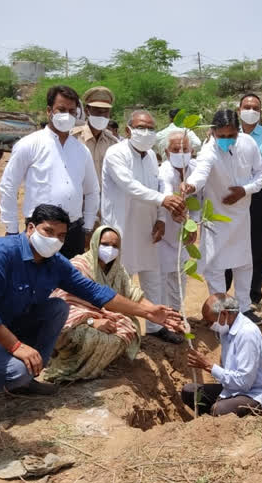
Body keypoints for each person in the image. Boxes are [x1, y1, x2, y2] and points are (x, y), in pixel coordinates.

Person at [0, 205, 183, 416]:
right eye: (48, 231)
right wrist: (16, 346)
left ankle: (24, 382)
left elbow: (97, 293)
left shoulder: (54, 263)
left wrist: (149, 312)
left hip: (2, 328)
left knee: (56, 308)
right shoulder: (3, 253)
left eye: (61, 236)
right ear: (30, 228)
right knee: (18, 369)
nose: (54, 240)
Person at [101, 110, 186, 344]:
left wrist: (160, 218)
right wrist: (163, 201)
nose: (146, 132)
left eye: (151, 128)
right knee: (122, 279)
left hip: (147, 226)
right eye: (141, 127)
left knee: (153, 277)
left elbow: (158, 186)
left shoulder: (150, 155)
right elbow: (129, 186)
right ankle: (121, 330)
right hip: (122, 227)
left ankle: (155, 327)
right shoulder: (115, 153)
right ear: (128, 130)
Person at [181, 110, 262, 325]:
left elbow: (261, 174)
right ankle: (225, 314)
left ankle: (245, 309)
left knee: (244, 264)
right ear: (213, 132)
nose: (226, 140)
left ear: (238, 131)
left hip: (240, 216)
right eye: (222, 136)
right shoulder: (208, 151)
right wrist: (190, 185)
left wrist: (244, 190)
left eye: (231, 135)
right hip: (216, 219)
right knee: (216, 267)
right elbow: (200, 174)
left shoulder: (248, 144)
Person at [0, 85, 99, 259]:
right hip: (40, 230)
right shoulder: (29, 144)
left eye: (71, 111)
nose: (66, 115)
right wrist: (12, 229)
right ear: (49, 111)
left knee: (70, 283)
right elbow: (8, 186)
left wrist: (88, 227)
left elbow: (92, 191)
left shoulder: (81, 151)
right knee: (36, 282)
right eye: (61, 109)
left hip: (72, 231)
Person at [42, 226, 147, 382]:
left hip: (105, 319)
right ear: (94, 243)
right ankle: (62, 368)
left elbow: (133, 294)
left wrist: (156, 312)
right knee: (91, 336)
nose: (109, 250)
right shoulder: (78, 266)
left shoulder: (117, 270)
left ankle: (92, 368)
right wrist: (92, 321)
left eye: (114, 246)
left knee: (125, 330)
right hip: (74, 323)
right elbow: (63, 303)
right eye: (104, 245)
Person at [182, 294, 262, 417]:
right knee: (189, 392)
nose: (209, 326)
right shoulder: (226, 331)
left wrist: (209, 366)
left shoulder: (247, 334)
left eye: (210, 322)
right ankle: (210, 420)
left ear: (224, 314)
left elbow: (244, 383)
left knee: (219, 410)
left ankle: (218, 419)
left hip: (254, 394)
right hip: (231, 389)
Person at [224, 93, 262, 307]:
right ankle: (224, 293)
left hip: (258, 195)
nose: (251, 110)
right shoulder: (226, 133)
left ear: (261, 111)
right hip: (230, 196)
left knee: (257, 244)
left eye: (255, 107)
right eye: (247, 106)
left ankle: (252, 295)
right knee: (228, 241)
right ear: (239, 110)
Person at [158, 131, 199, 312]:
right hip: (165, 232)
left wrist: (194, 224)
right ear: (167, 153)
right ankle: (166, 317)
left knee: (181, 275)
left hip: (183, 233)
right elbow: (166, 192)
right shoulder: (163, 171)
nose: (181, 153)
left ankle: (178, 313)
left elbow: (199, 199)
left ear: (192, 151)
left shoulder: (195, 169)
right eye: (176, 149)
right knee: (165, 276)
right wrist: (173, 208)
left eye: (185, 149)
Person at [71, 86, 119, 194]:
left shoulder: (113, 142)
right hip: (80, 203)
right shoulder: (73, 138)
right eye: (97, 111)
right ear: (87, 111)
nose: (102, 115)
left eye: (105, 111)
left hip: (106, 204)